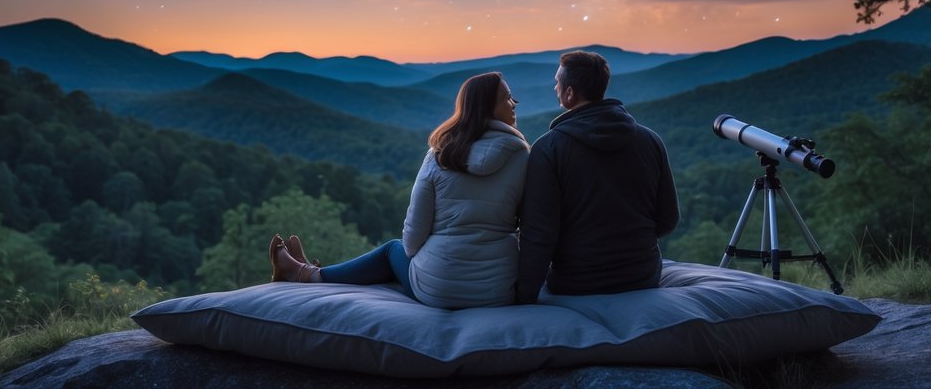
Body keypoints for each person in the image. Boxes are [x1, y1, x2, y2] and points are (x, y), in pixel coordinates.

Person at [270, 71, 530, 309]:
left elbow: (412, 240)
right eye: (507, 98)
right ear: (488, 108)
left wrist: (434, 262)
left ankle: (308, 274)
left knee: (391, 250)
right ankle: (307, 272)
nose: (514, 103)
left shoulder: (439, 156)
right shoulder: (524, 158)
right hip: (496, 291)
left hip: (438, 290)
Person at [514, 49, 679, 304]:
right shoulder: (650, 140)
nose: (554, 87)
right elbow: (667, 220)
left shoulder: (549, 149)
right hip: (643, 276)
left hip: (577, 282)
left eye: (557, 83)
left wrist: (523, 297)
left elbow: (539, 235)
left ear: (570, 94)